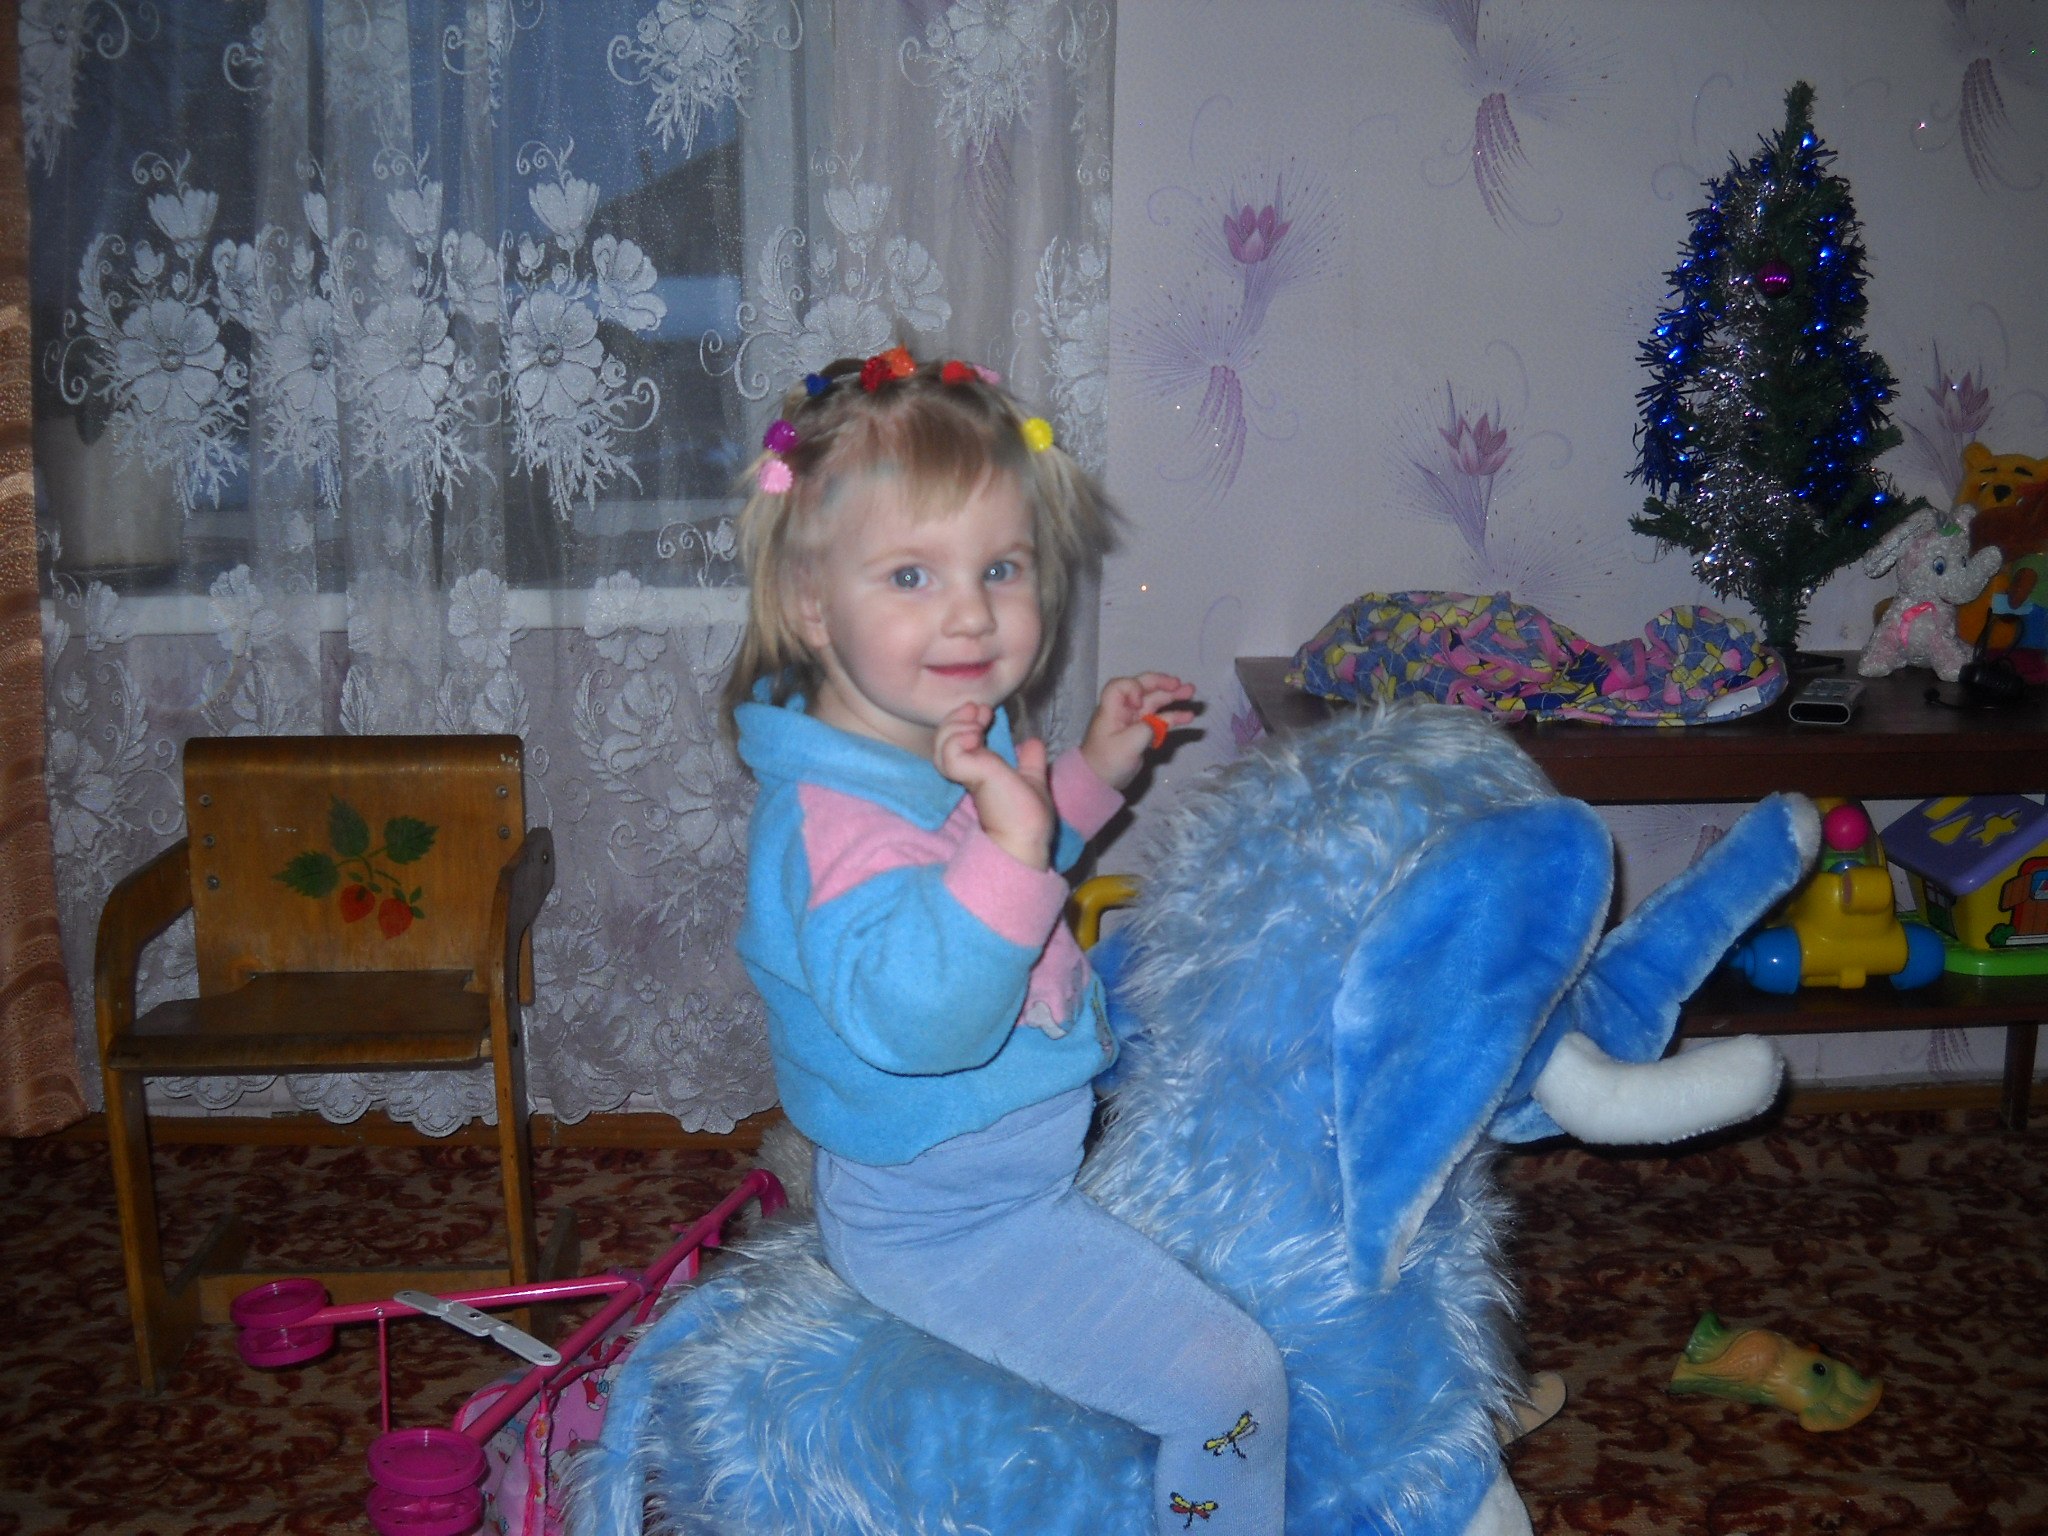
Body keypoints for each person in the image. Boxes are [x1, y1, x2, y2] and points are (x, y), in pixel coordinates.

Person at [725, 348, 1289, 1535]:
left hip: (1000, 1168)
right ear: (811, 604)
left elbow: (995, 876)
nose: (971, 612)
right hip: (951, 1224)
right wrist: (1016, 841)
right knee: (1230, 1386)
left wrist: (1088, 773)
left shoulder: (905, 738)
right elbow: (923, 1016)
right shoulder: (834, 824)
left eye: (1000, 567)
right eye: (912, 574)